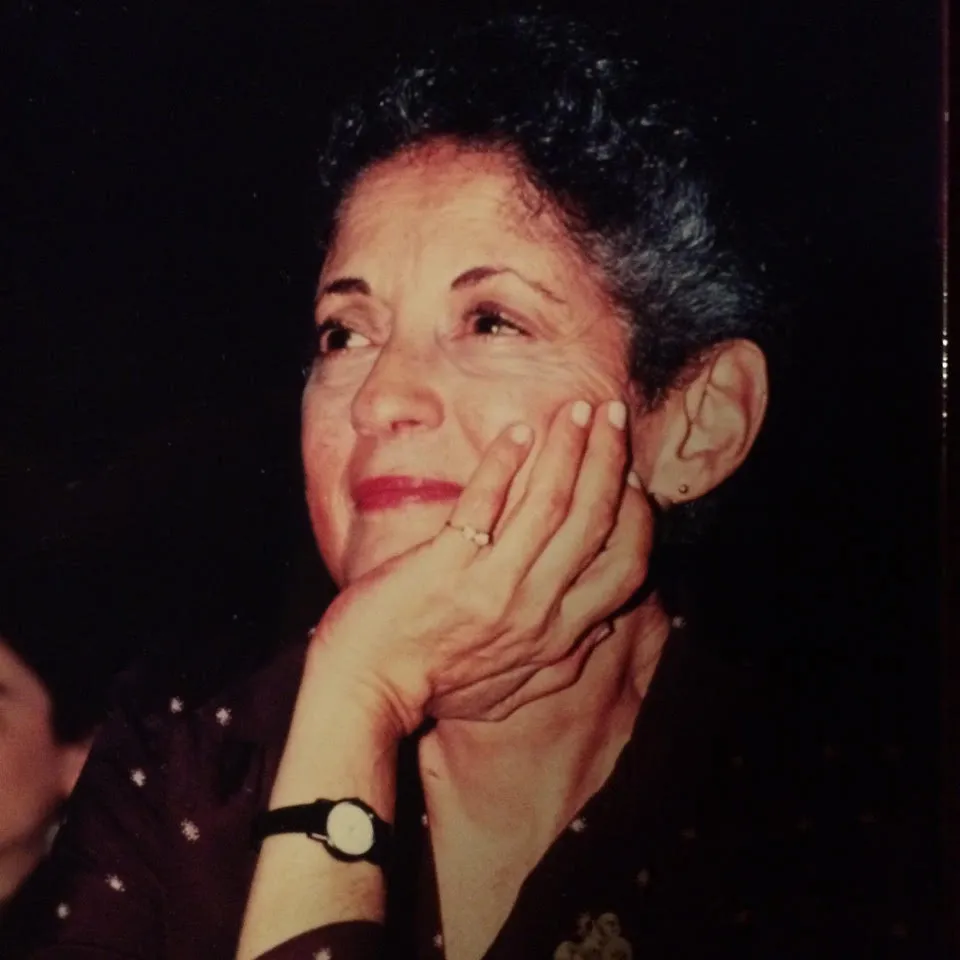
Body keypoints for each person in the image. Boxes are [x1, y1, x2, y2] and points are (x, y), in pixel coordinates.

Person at [6, 13, 935, 960]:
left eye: (492, 321)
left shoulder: (856, 813)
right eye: (345, 333)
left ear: (698, 426)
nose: (380, 398)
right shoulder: (189, 759)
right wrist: (353, 700)